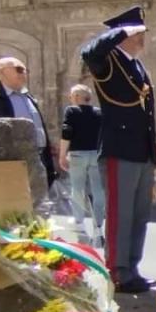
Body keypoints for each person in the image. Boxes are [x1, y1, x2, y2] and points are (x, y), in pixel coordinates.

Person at [81, 5, 156, 294]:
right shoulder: (108, 60)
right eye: (137, 33)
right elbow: (88, 53)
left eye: (141, 32)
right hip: (119, 149)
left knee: (139, 215)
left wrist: (154, 154)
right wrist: (119, 31)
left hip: (142, 151)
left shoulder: (137, 65)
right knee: (120, 214)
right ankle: (116, 272)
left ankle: (131, 268)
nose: (142, 38)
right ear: (121, 34)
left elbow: (147, 114)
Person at [0, 57, 56, 188]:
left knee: (40, 205)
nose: (24, 73)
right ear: (2, 72)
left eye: (25, 70)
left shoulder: (28, 97)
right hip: (11, 163)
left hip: (39, 159)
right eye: (19, 69)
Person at [58, 84, 104, 244]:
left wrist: (62, 155)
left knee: (77, 188)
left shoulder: (71, 111)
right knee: (98, 190)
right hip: (96, 155)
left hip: (78, 154)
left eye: (71, 96)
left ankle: (79, 221)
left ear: (77, 96)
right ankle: (98, 224)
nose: (70, 99)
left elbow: (67, 132)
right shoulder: (99, 112)